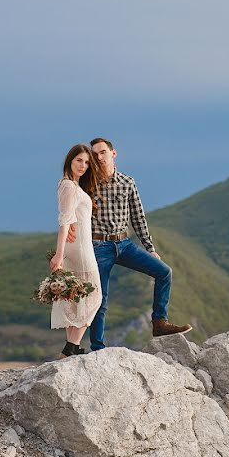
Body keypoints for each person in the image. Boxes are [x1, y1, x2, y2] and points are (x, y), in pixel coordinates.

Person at [68, 137, 191, 351]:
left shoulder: (128, 182)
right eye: (95, 154)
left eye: (103, 152)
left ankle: (159, 323)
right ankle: (98, 348)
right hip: (98, 247)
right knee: (100, 299)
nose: (99, 157)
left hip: (124, 244)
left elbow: (138, 218)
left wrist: (150, 248)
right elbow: (71, 209)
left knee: (164, 272)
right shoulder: (87, 184)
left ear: (113, 154)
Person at [49, 144, 104, 358]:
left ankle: (71, 348)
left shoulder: (69, 185)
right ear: (69, 160)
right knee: (93, 295)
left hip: (79, 245)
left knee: (75, 297)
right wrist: (59, 255)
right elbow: (64, 221)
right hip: (79, 249)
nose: (83, 165)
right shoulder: (70, 187)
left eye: (87, 162)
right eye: (79, 160)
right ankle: (70, 348)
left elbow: (70, 218)